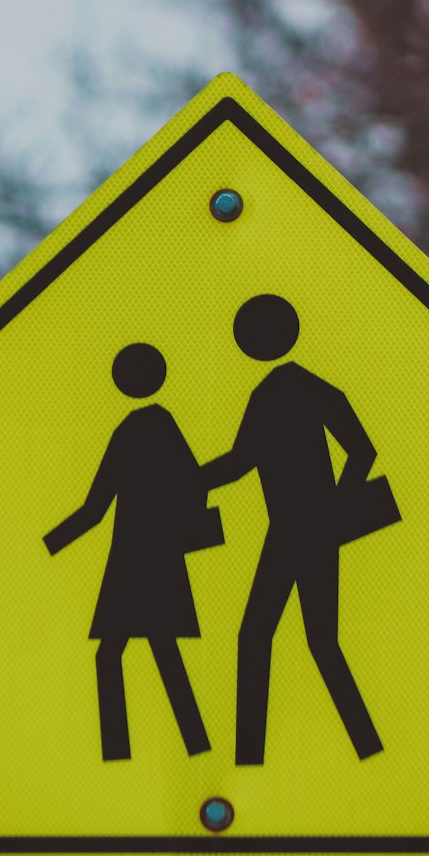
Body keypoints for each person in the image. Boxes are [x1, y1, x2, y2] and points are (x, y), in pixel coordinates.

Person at [204, 295, 384, 765]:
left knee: (269, 636)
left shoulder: (284, 390)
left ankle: (252, 756)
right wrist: (335, 510)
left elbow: (360, 450)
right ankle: (361, 746)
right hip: (300, 530)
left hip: (299, 530)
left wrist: (335, 509)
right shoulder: (289, 390)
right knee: (306, 641)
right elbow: (244, 462)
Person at [44, 342, 217, 762]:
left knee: (120, 654)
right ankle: (190, 744)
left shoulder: (139, 429)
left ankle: (127, 751)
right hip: (145, 558)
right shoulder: (151, 426)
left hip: (138, 560)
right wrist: (49, 544)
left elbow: (95, 508)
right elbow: (102, 506)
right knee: (154, 651)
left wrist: (50, 544)